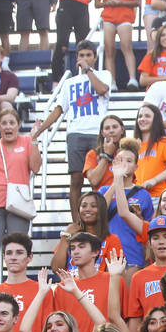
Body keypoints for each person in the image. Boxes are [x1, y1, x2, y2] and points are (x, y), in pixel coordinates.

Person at [31, 41, 112, 221]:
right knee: (76, 179)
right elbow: (59, 109)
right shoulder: (69, 83)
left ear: (95, 57)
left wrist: (88, 70)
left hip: (97, 133)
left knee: (97, 179)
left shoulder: (103, 74)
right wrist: (40, 130)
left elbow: (102, 90)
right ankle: (76, 222)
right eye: (81, 56)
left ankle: (97, 219)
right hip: (75, 133)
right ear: (76, 58)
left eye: (88, 55)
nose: (84, 59)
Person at [0, 106, 42, 287]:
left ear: (18, 125)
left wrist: (35, 140)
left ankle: (17, 292)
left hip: (18, 203)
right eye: (4, 123)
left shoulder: (27, 141)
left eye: (12, 123)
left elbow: (36, 168)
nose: (8, 127)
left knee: (18, 252)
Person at [51, 0, 94, 82]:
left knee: (83, 44)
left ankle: (83, 76)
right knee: (62, 43)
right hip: (66, 6)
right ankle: (56, 80)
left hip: (82, 8)